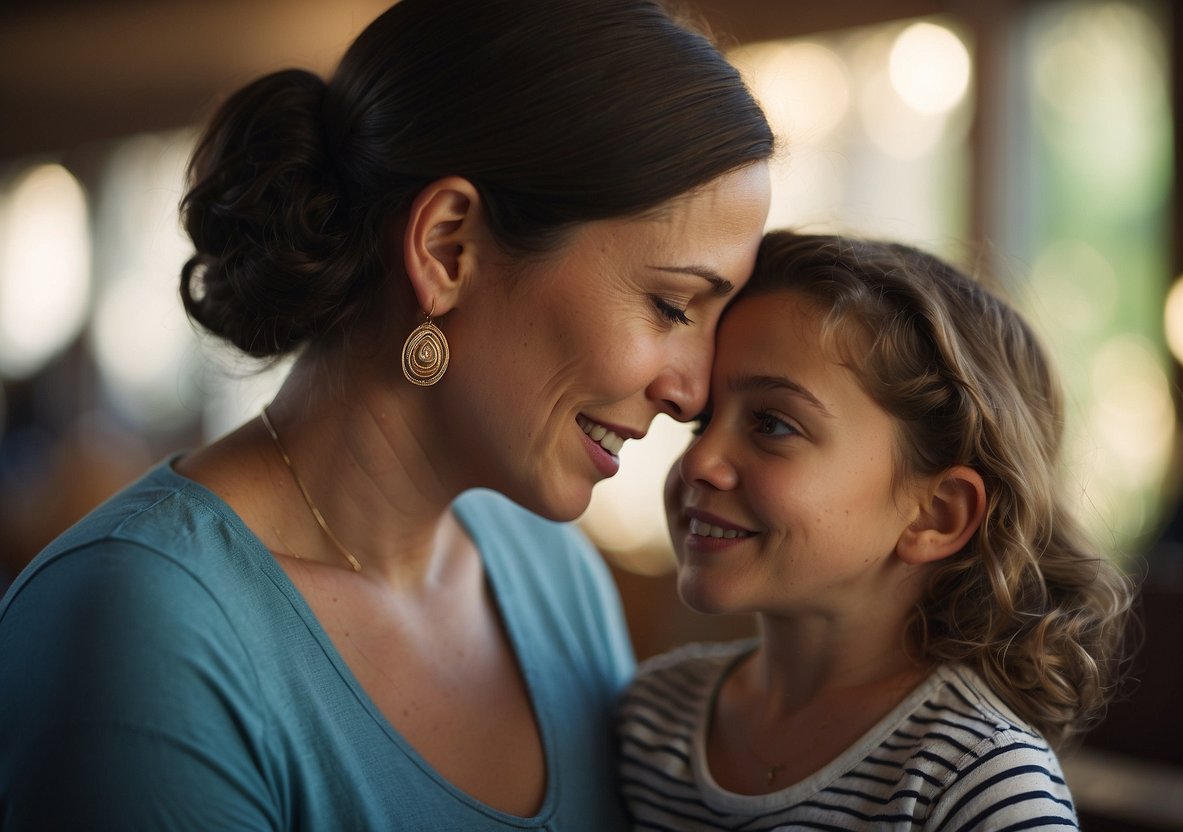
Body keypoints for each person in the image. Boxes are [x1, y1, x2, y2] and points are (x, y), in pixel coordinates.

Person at [0, 1, 773, 828]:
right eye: (670, 305)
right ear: (448, 248)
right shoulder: (141, 626)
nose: (693, 394)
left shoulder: (553, 575)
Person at [617, 232, 1135, 830]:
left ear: (936, 514)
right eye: (703, 421)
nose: (700, 461)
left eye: (772, 424)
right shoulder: (649, 718)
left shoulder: (979, 781)